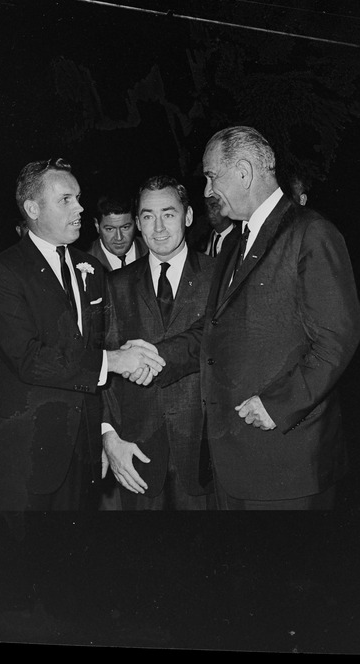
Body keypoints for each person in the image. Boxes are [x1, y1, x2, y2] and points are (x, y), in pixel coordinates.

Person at [156, 125, 360, 509]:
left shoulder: (311, 232)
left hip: (289, 462)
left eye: (211, 176)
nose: (206, 191)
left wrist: (278, 404)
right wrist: (156, 356)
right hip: (231, 462)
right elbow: (215, 331)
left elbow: (339, 336)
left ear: (244, 172)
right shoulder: (235, 241)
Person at [0, 158, 166, 513]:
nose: (79, 208)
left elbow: (95, 353)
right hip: (26, 460)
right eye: (66, 200)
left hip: (84, 455)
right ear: (32, 209)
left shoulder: (89, 269)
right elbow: (31, 360)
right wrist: (117, 361)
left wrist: (105, 434)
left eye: (78, 197)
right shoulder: (2, 272)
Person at [101, 176, 216, 509]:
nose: (159, 227)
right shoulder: (114, 284)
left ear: (189, 216)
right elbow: (104, 368)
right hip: (136, 452)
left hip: (204, 450)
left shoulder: (219, 276)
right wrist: (109, 436)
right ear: (138, 223)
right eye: (148, 216)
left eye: (168, 214)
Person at [87, 193, 148, 271]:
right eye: (110, 229)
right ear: (97, 225)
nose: (119, 238)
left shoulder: (152, 250)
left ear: (137, 222)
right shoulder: (84, 260)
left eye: (125, 227)